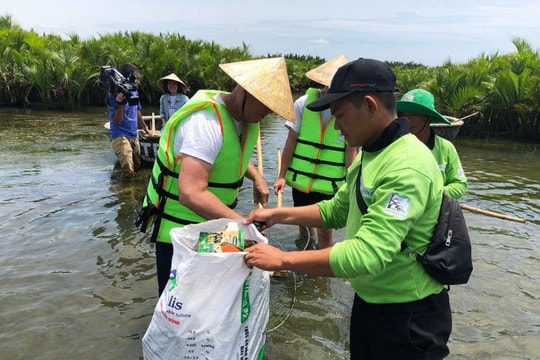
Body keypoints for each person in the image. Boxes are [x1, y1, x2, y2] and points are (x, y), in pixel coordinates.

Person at [244, 58, 452, 359]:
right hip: (371, 301)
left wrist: (283, 259)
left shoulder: (406, 166)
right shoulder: (372, 154)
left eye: (340, 115)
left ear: (370, 105)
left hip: (408, 316)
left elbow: (369, 254)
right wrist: (278, 215)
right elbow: (335, 210)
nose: (337, 127)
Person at [140, 57, 295, 295]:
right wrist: (245, 225)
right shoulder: (206, 124)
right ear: (245, 92)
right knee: (177, 304)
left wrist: (257, 177)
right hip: (179, 235)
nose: (268, 113)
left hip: (210, 228)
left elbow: (232, 156)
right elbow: (191, 193)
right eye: (265, 105)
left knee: (208, 298)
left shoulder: (244, 119)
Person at [274, 54, 358, 249]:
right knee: (302, 222)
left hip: (329, 182)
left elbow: (350, 151)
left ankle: (322, 274)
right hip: (301, 179)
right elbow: (290, 142)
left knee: (326, 230)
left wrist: (352, 182)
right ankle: (307, 250)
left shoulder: (350, 110)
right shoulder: (303, 103)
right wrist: (281, 176)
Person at [397, 88, 468, 199]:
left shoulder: (446, 148)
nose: (408, 120)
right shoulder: (394, 146)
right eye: (404, 115)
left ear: (428, 117)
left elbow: (460, 184)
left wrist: (431, 195)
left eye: (414, 115)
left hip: (434, 210)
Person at [106, 63, 150, 180]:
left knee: (137, 166)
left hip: (133, 134)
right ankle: (125, 195)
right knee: (128, 171)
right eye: (137, 78)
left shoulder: (134, 91)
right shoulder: (114, 95)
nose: (139, 81)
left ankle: (116, 181)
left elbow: (137, 110)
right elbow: (117, 120)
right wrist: (121, 104)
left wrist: (145, 127)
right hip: (119, 135)